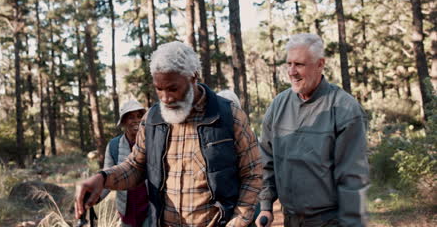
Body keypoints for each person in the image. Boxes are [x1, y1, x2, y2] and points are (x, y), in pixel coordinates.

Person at [76, 41, 262, 227]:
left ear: (193, 77)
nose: (165, 98)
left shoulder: (229, 116)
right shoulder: (152, 119)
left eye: (173, 88)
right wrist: (103, 178)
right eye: (159, 89)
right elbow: (136, 166)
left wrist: (238, 221)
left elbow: (252, 173)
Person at [255, 33, 370, 227]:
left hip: (330, 221)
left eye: (299, 64)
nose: (292, 72)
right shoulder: (278, 106)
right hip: (291, 220)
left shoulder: (346, 109)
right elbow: (266, 160)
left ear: (320, 64)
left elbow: (352, 177)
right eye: (289, 64)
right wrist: (265, 205)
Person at [101, 100, 149, 227]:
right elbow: (108, 177)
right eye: (131, 117)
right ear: (123, 122)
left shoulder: (153, 142)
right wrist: (94, 197)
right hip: (126, 212)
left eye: (139, 116)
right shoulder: (114, 146)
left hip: (150, 210)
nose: (136, 120)